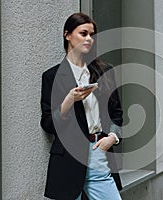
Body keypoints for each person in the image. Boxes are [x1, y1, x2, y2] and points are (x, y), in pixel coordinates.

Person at [40, 13, 123, 200]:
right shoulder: (52, 77)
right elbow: (47, 124)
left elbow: (117, 114)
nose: (88, 39)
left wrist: (113, 137)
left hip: (98, 154)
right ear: (67, 35)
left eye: (92, 35)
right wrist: (70, 99)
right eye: (83, 33)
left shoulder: (105, 72)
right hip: (68, 161)